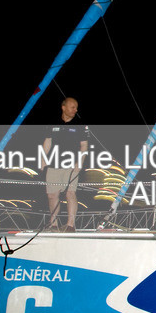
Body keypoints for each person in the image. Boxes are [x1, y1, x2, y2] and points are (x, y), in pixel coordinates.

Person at [43, 96, 90, 230]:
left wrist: (79, 163)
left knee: (70, 193)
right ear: (64, 107)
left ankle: (70, 225)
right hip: (53, 164)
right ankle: (53, 224)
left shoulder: (81, 124)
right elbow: (47, 142)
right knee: (52, 195)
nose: (75, 110)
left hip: (72, 165)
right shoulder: (53, 122)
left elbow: (84, 146)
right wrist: (42, 160)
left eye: (76, 108)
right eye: (72, 107)